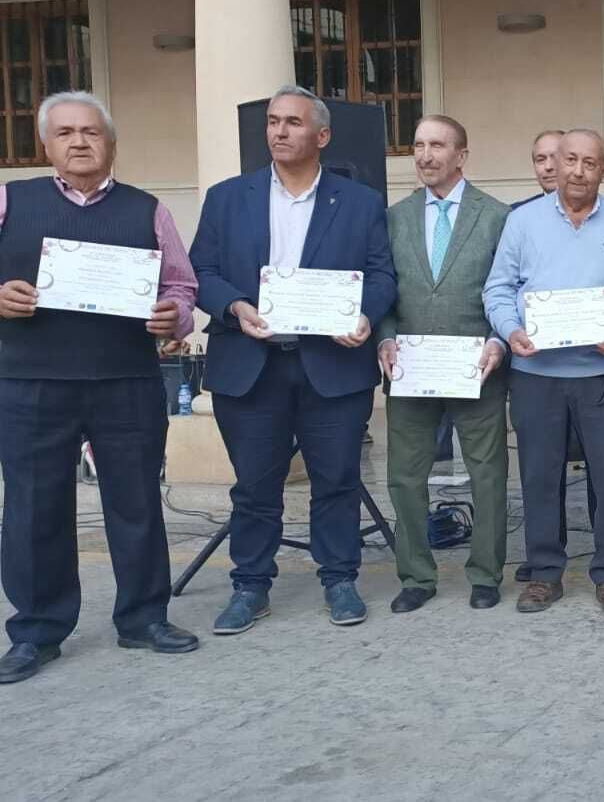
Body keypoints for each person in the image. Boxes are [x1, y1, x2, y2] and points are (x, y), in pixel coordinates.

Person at [0, 92, 201, 684]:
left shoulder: (148, 209)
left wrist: (175, 316)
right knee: (35, 506)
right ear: (46, 144)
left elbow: (181, 285)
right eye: (65, 133)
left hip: (127, 380)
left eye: (91, 131)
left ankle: (143, 618)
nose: (79, 141)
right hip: (32, 380)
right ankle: (37, 630)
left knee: (136, 501)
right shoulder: (11, 201)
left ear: (111, 143)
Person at [191, 85, 398, 633]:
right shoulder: (226, 197)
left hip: (332, 363)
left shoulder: (359, 202)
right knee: (255, 486)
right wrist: (235, 307)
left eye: (293, 123)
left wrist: (364, 317)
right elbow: (201, 273)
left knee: (336, 479)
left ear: (322, 136)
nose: (279, 132)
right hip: (250, 362)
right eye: (274, 122)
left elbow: (381, 276)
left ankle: (339, 578)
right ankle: (250, 586)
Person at [485, 129, 604, 616]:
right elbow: (498, 289)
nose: (578, 171)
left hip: (603, 373)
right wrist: (511, 329)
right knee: (539, 477)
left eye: (590, 163)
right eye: (570, 161)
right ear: (554, 165)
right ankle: (543, 574)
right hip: (536, 373)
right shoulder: (521, 223)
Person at [377, 115, 510, 613]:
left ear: (462, 155)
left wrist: (499, 341)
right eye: (418, 145)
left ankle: (485, 573)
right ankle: (415, 575)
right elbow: (384, 289)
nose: (425, 156)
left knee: (487, 473)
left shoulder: (496, 216)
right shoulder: (395, 216)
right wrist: (384, 339)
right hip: (410, 368)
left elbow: (510, 290)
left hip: (478, 366)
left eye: (436, 145)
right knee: (405, 476)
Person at [510, 129, 565, 210]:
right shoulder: (516, 212)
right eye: (541, 160)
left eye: (556, 158)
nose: (548, 167)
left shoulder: (590, 209)